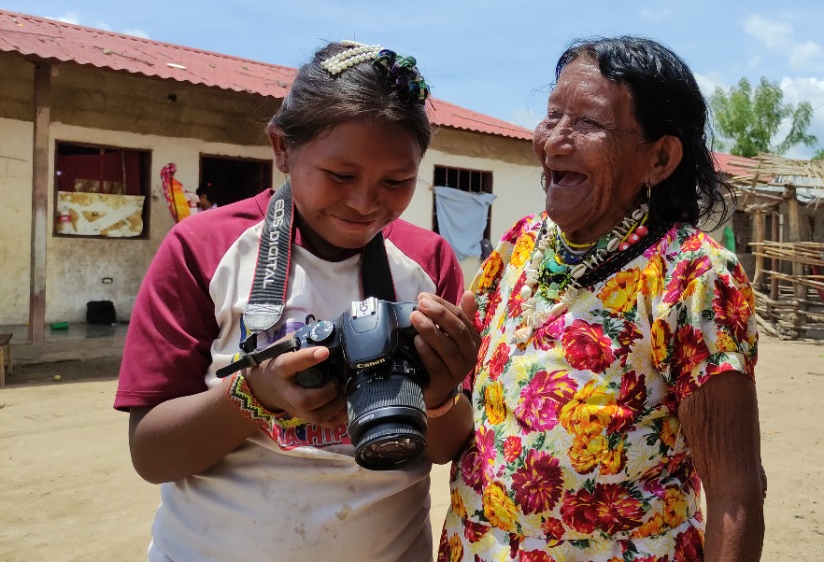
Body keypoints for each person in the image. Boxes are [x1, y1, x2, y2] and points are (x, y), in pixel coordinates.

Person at [115, 40, 479, 562]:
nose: (365, 202)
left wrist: (440, 396)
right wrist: (253, 395)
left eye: (397, 181)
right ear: (282, 147)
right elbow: (152, 453)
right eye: (341, 175)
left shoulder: (426, 262)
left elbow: (448, 449)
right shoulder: (205, 248)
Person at [438, 36, 764, 561]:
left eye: (587, 124)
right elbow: (454, 439)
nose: (554, 142)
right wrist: (434, 386)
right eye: (552, 116)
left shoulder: (690, 274)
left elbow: (736, 490)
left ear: (659, 158)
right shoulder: (517, 248)